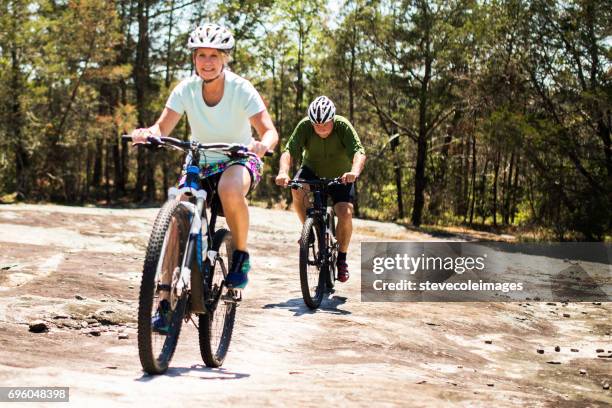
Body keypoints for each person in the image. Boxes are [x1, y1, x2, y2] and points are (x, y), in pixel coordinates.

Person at [131, 23, 278, 333]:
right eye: (201, 56)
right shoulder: (186, 89)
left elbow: (268, 130)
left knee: (228, 188)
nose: (207, 62)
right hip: (199, 161)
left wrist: (263, 145)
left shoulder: (241, 89)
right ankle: (165, 301)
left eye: (214, 55)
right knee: (178, 211)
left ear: (224, 58)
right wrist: (148, 134)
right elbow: (162, 127)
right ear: (194, 58)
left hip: (237, 159)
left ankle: (240, 256)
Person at [275, 96, 366, 282]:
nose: (321, 128)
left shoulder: (343, 126)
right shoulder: (304, 126)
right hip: (312, 171)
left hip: (341, 175)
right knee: (297, 188)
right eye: (316, 125)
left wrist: (354, 172)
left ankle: (341, 258)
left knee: (345, 212)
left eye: (325, 124)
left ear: (333, 119)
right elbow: (288, 151)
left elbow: (359, 152)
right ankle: (307, 230)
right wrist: (283, 172)